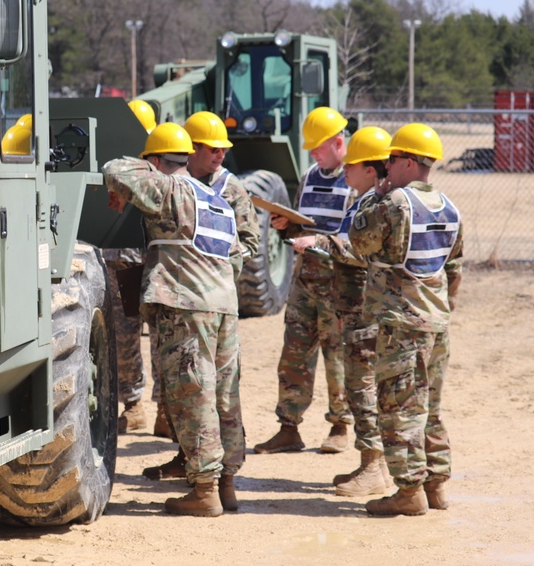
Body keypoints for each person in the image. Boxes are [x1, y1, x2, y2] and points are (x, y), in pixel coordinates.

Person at [103, 122, 243, 516]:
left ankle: (204, 490)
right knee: (224, 397)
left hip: (186, 307)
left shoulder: (170, 188)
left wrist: (137, 174)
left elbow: (115, 169)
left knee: (192, 393)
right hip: (224, 307)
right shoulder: (215, 199)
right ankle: (227, 483)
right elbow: (234, 255)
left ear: (154, 160)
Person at [348, 123, 463, 516]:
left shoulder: (395, 203)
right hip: (437, 322)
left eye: (391, 161)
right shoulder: (449, 206)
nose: (386, 169)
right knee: (429, 406)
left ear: (409, 163)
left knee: (398, 408)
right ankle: (436, 485)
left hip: (402, 324)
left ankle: (408, 491)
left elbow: (358, 241)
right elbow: (455, 270)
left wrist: (372, 199)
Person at [141, 111, 259, 484]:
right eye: (212, 148)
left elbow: (249, 242)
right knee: (178, 385)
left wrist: (213, 266)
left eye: (223, 148)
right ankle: (189, 455)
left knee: (204, 386)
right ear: (189, 151)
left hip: (204, 299)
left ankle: (212, 473)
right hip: (175, 297)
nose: (220, 154)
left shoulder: (230, 189)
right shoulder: (174, 187)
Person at [254, 107, 354, 455]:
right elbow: (305, 224)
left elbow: (355, 240)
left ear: (339, 143)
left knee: (336, 356)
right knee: (294, 354)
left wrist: (318, 242)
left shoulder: (355, 179)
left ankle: (340, 426)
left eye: (318, 147)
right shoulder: (312, 174)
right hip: (305, 280)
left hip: (338, 284)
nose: (313, 154)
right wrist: (289, 226)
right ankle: (289, 427)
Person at [325, 126, 394, 496]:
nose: (345, 171)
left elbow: (362, 252)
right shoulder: (366, 200)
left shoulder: (377, 205)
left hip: (369, 311)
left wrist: (321, 243)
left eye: (351, 165)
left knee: (364, 386)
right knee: (362, 386)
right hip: (357, 309)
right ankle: (375, 465)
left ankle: (373, 466)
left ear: (370, 169)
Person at [104, 99, 174, 439]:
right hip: (126, 259)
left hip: (147, 261)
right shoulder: (136, 169)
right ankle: (137, 408)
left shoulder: (154, 171)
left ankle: (159, 409)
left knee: (156, 336)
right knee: (129, 336)